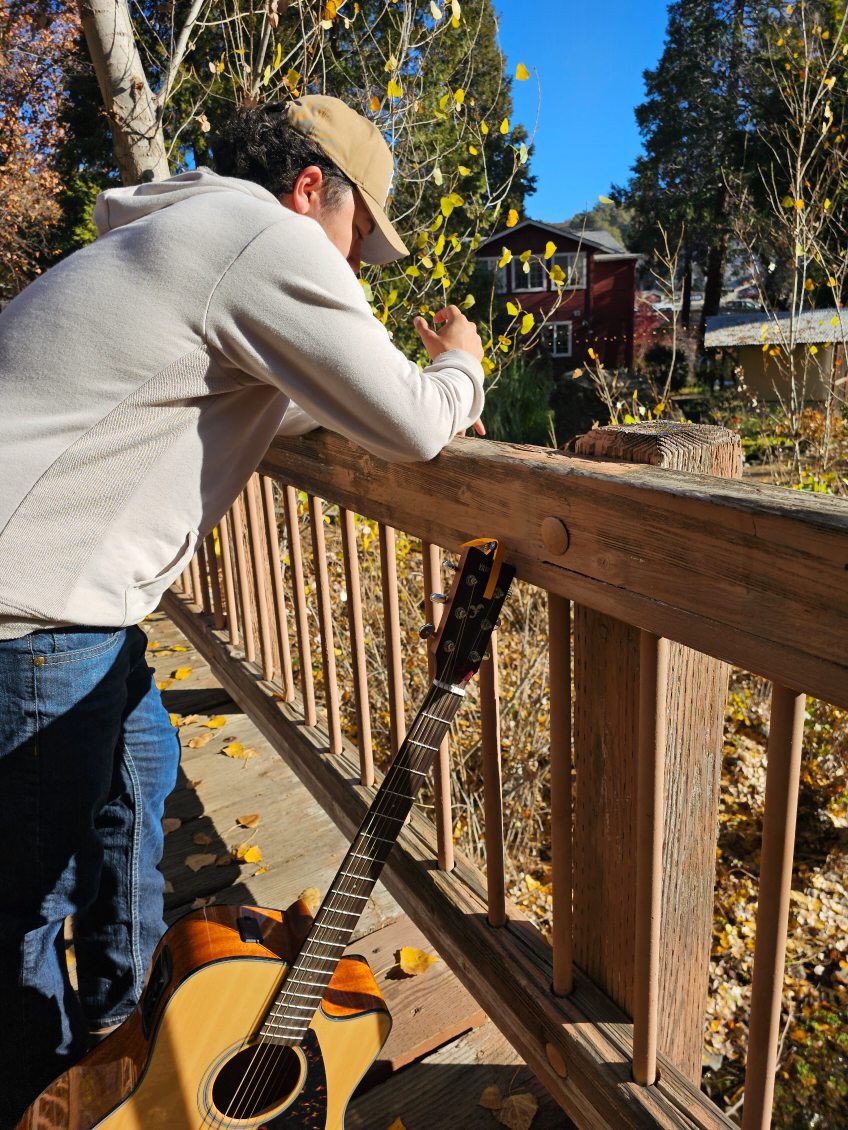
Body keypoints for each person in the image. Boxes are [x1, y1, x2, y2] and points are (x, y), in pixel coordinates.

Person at [0, 93, 485, 1127]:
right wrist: (462, 365)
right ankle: (43, 1087)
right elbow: (408, 422)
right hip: (35, 617)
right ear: (311, 189)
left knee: (140, 772)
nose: (353, 270)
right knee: (21, 914)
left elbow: (307, 395)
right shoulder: (258, 232)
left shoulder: (185, 233)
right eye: (358, 239)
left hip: (69, 613)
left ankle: (121, 1029)